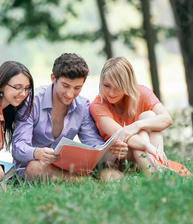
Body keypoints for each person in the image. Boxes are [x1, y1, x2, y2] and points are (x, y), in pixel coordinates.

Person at [12, 53, 128, 182]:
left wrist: (110, 150)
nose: (70, 94)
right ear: (53, 78)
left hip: (65, 167)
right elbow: (18, 147)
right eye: (66, 86)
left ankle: (80, 180)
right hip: (36, 166)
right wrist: (36, 152)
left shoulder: (82, 106)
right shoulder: (32, 101)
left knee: (108, 171)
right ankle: (84, 182)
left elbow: (93, 142)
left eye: (77, 88)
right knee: (35, 167)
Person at [89, 56, 173, 174]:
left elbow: (167, 119)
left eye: (117, 87)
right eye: (106, 86)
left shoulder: (142, 93)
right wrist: (148, 146)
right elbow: (121, 135)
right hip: (120, 157)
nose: (111, 93)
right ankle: (158, 171)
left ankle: (154, 168)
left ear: (127, 84)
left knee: (148, 116)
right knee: (139, 133)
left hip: (144, 153)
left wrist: (138, 125)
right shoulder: (98, 104)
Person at [0, 61, 34, 183]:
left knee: (12, 173)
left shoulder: (5, 112)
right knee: (0, 173)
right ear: (1, 85)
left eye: (26, 88)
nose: (23, 93)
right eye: (17, 87)